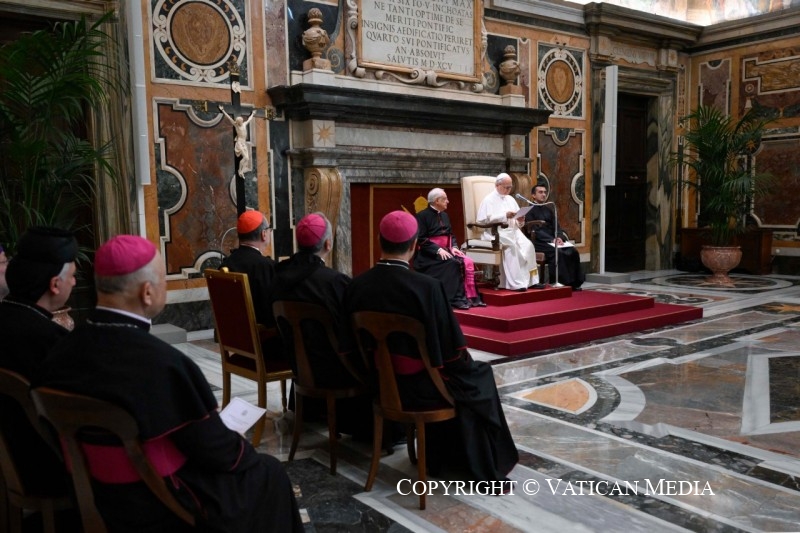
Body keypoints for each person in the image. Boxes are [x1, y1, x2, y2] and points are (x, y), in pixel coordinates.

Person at [36, 235, 303, 532]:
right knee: (269, 473)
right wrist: (236, 442)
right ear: (147, 292)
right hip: (159, 507)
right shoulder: (163, 365)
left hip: (97, 498)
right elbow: (222, 454)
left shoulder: (59, 351)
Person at [343, 211, 519, 482]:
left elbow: (350, 347)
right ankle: (472, 462)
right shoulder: (428, 288)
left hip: (378, 385)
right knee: (479, 376)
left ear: (379, 240)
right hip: (425, 390)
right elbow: (452, 353)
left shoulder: (356, 286)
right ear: (415, 245)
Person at [271, 212, 373, 440]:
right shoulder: (333, 282)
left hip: (299, 369)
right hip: (336, 372)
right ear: (328, 244)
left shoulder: (278, 275)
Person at [0, 227, 77, 502]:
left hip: (8, 465)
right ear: (55, 284)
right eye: (73, 276)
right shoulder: (52, 341)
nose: (74, 283)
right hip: (49, 471)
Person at [221, 210, 285, 360]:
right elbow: (272, 313)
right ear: (264, 234)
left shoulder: (227, 264)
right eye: (269, 230)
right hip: (264, 346)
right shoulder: (266, 267)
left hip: (237, 343)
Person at [414, 188, 485, 309]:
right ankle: (455, 299)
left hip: (447, 250)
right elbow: (421, 238)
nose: (448, 201)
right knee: (453, 264)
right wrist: (437, 250)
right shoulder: (422, 216)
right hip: (429, 254)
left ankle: (471, 298)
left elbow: (450, 235)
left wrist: (454, 247)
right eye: (445, 199)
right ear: (437, 201)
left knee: (467, 261)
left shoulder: (445, 215)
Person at [476, 173, 540, 290]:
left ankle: (532, 281)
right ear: (497, 185)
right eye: (506, 187)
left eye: (510, 187)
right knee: (512, 247)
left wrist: (520, 220)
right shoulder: (488, 200)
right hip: (496, 233)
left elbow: (517, 220)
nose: (508, 190)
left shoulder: (511, 199)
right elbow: (483, 221)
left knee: (528, 246)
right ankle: (516, 283)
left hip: (513, 231)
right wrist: (505, 215)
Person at [525, 183, 585, 290]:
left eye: (545, 192)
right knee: (558, 252)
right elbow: (535, 230)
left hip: (554, 240)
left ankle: (574, 283)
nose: (543, 194)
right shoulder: (529, 210)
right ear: (533, 195)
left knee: (573, 251)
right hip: (539, 242)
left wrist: (559, 237)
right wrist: (551, 240)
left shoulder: (549, 209)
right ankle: (559, 282)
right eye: (540, 192)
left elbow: (557, 226)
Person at [219, 105, 256, 177]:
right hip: (239, 143)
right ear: (238, 122)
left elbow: (249, 119)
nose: (241, 122)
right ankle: (240, 171)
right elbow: (229, 118)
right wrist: (223, 110)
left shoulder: (244, 124)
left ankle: (241, 171)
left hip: (244, 143)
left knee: (247, 158)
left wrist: (253, 114)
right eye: (240, 121)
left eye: (241, 121)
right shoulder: (236, 126)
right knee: (245, 157)